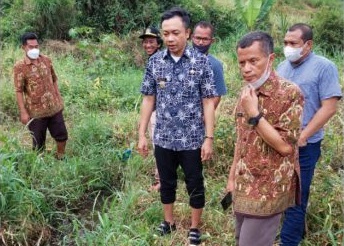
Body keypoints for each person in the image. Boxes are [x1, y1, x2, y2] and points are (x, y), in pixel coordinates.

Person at [137, 7, 217, 245]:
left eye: (175, 33)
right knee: (166, 181)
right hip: (163, 137)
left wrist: (209, 138)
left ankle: (194, 227)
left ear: (187, 33)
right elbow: (148, 99)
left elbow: (208, 102)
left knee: (195, 182)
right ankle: (169, 221)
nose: (170, 39)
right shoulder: (155, 62)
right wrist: (142, 134)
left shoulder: (201, 63)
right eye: (165, 33)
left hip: (192, 139)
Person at [226, 31, 304, 246]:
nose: (246, 69)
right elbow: (241, 140)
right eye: (242, 63)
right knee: (241, 240)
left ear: (270, 59)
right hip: (243, 185)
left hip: (266, 191)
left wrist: (255, 115)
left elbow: (286, 147)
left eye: (253, 61)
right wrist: (232, 177)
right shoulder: (247, 91)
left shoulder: (290, 93)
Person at [277, 23, 342, 246]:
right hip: (279, 143)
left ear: (308, 45)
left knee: (297, 197)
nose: (288, 47)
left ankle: (289, 242)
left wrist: (303, 135)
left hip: (305, 145)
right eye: (285, 43)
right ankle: (292, 231)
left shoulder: (324, 67)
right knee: (280, 192)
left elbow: (329, 107)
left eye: (293, 43)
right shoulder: (282, 67)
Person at [13, 32, 68, 160]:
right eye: (31, 47)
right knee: (38, 142)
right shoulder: (20, 67)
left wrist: (59, 98)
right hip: (36, 111)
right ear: (23, 48)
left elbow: (54, 79)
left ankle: (61, 157)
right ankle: (40, 164)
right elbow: (19, 90)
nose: (34, 49)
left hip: (54, 107)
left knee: (62, 135)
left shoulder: (46, 60)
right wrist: (23, 112)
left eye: (36, 46)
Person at [139, 26, 163, 191]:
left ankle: (160, 180)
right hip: (153, 111)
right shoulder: (152, 61)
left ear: (159, 44)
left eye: (151, 41)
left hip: (160, 113)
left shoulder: (160, 60)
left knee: (159, 147)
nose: (148, 45)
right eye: (145, 42)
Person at [191, 21, 227, 109]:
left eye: (205, 39)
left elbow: (217, 95)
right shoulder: (181, 59)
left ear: (212, 41)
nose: (200, 42)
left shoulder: (215, 65)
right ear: (192, 37)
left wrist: (205, 117)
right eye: (198, 38)